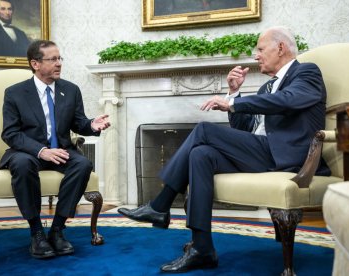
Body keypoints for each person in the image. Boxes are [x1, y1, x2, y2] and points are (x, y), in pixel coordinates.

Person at [118, 26, 330, 273]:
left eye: (261, 49)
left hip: (290, 157)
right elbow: (245, 129)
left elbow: (289, 100)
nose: (256, 56)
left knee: (204, 130)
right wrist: (234, 92)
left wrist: (232, 103)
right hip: (263, 152)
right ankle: (202, 248)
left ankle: (160, 205)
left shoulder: (307, 72)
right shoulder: (265, 89)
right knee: (201, 155)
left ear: (280, 48)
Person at [0, 39, 110, 259]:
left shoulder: (70, 90)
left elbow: (78, 123)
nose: (59, 63)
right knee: (21, 163)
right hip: (28, 152)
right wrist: (41, 150)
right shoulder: (15, 93)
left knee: (83, 163)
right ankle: (37, 233)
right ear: (35, 64)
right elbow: (10, 133)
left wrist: (91, 125)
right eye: (53, 59)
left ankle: (57, 229)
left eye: (60, 58)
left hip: (60, 151)